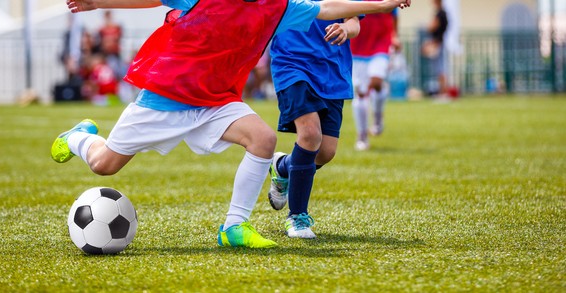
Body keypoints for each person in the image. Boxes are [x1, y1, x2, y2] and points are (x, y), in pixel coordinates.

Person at [55, 0, 412, 248]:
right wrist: (97, 4)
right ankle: (78, 138)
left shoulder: (278, 6)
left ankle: (234, 226)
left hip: (216, 99)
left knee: (262, 138)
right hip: (167, 94)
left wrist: (382, 6)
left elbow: (328, 8)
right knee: (104, 165)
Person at [267, 10, 361, 239]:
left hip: (332, 72)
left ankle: (282, 166)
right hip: (292, 65)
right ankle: (297, 216)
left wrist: (345, 29)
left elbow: (354, 21)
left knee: (326, 152)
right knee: (310, 135)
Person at [350, 5, 400, 151]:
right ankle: (362, 135)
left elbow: (394, 13)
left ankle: (377, 118)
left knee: (377, 81)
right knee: (361, 93)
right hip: (357, 46)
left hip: (381, 43)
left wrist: (395, 36)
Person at [422, 0, 448, 98]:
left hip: (437, 44)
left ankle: (443, 92)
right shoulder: (443, 13)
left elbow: (432, 27)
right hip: (439, 42)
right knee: (440, 68)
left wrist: (427, 26)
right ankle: (442, 92)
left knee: (440, 69)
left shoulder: (440, 14)